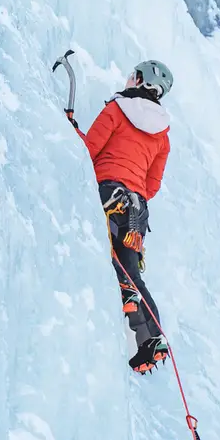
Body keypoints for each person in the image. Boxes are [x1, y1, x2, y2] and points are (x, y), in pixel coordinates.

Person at [83, 60, 173, 374]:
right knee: (131, 271)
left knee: (115, 265)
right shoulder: (163, 135)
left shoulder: (117, 109)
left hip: (109, 193)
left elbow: (89, 151)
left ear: (138, 79)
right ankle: (152, 339)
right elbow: (152, 185)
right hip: (137, 210)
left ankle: (129, 298)